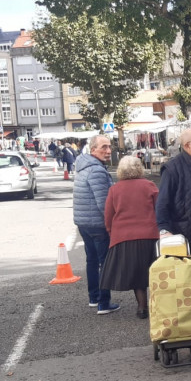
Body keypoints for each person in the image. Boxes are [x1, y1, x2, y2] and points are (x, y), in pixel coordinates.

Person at [101, 156, 159, 319]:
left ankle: (142, 306)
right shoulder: (149, 186)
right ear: (139, 168)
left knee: (136, 273)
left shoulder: (115, 189)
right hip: (150, 235)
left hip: (124, 236)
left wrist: (111, 231)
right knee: (155, 271)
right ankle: (158, 305)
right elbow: (159, 208)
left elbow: (108, 215)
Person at [73, 135, 120, 315]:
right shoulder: (97, 171)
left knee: (91, 261)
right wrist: (113, 224)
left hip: (83, 222)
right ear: (93, 149)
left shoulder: (83, 166)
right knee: (104, 262)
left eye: (109, 147)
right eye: (103, 147)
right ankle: (103, 302)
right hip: (97, 224)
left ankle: (94, 297)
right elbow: (104, 204)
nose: (108, 151)